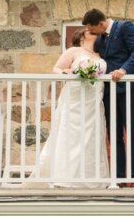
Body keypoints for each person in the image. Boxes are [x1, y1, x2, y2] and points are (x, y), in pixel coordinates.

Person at [30, 28, 109, 188]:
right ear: (81, 36)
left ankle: (91, 180)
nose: (95, 32)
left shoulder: (100, 55)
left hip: (93, 100)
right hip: (75, 98)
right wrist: (67, 73)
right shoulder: (74, 50)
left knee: (91, 138)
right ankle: (64, 177)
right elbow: (56, 69)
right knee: (71, 136)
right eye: (90, 31)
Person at [82, 8, 134, 187]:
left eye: (92, 29)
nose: (90, 33)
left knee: (133, 131)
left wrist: (123, 70)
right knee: (114, 134)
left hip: (129, 88)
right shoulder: (100, 39)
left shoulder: (125, 27)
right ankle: (118, 178)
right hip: (109, 91)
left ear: (100, 24)